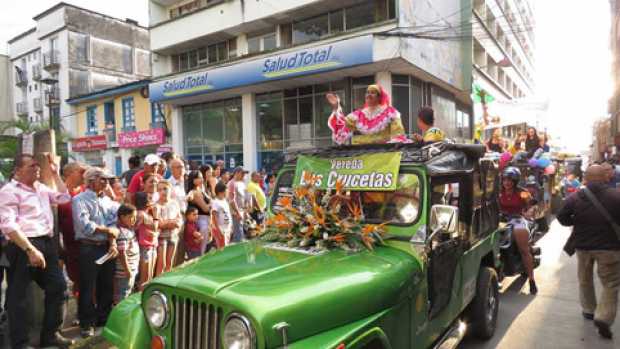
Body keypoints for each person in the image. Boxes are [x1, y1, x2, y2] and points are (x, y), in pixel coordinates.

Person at [0, 154, 75, 349]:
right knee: (19, 297)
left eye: (37, 166)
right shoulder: (9, 191)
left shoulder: (41, 188)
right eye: (32, 166)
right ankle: (20, 343)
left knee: (58, 287)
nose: (37, 169)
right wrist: (30, 249)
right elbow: (8, 225)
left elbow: (64, 197)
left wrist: (56, 173)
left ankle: (50, 335)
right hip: (23, 245)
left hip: (46, 243)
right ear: (18, 171)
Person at [557, 165, 620, 339]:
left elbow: (561, 216)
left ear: (586, 178)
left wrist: (576, 221)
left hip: (583, 246)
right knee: (611, 284)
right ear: (604, 177)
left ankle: (589, 310)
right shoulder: (616, 196)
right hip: (610, 248)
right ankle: (603, 317)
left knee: (584, 278)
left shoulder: (575, 197)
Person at [72, 167, 120, 338]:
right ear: (91, 181)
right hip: (89, 247)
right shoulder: (79, 200)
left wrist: (112, 241)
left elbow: (115, 223)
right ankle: (87, 323)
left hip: (106, 246)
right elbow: (86, 226)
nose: (106, 183)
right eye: (103, 179)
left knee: (106, 285)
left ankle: (103, 318)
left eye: (107, 179)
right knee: (88, 286)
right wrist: (109, 232)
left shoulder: (107, 200)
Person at [499, 167, 538, 295]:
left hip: (517, 219)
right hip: (500, 220)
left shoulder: (522, 192)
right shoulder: (498, 192)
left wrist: (528, 212)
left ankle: (532, 280)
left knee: (524, 250)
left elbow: (532, 205)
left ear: (515, 181)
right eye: (505, 179)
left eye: (510, 180)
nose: (507, 182)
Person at [327, 84, 409, 145]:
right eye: (367, 93)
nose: (369, 95)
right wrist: (336, 107)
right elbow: (342, 126)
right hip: (363, 155)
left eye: (373, 93)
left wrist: (385, 141)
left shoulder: (390, 112)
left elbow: (398, 134)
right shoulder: (358, 114)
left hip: (384, 154)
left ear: (379, 97)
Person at [58, 162, 86, 297]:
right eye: (80, 171)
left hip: (87, 243)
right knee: (76, 279)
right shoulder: (59, 192)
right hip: (69, 245)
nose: (84, 174)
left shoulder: (86, 190)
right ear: (70, 173)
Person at [113, 204, 139, 304]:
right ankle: (120, 316)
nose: (134, 220)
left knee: (127, 293)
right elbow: (122, 253)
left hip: (130, 271)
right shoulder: (122, 233)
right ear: (122, 217)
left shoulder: (129, 230)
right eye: (132, 217)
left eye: (135, 217)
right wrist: (127, 271)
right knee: (122, 296)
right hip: (124, 273)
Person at [155, 181, 182, 275]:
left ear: (170, 189)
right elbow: (159, 224)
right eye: (159, 190)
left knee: (169, 264)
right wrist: (171, 222)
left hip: (173, 236)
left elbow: (179, 219)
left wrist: (174, 223)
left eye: (165, 189)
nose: (163, 192)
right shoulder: (156, 205)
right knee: (161, 264)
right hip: (161, 238)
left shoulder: (174, 203)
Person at [135, 192, 158, 290]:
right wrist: (156, 215)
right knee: (144, 278)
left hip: (151, 246)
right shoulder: (141, 214)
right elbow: (155, 226)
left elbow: (155, 229)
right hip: (144, 247)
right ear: (146, 202)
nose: (153, 202)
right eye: (151, 199)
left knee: (149, 277)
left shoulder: (147, 214)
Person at [186, 170, 211, 253]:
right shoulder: (195, 192)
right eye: (199, 178)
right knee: (201, 249)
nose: (201, 179)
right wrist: (213, 203)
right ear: (193, 180)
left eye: (201, 177)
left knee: (204, 247)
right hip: (201, 221)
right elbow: (206, 208)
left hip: (207, 221)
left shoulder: (201, 190)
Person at [228, 167, 248, 242]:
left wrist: (245, 210)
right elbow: (231, 200)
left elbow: (243, 197)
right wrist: (238, 212)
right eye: (242, 173)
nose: (244, 175)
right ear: (236, 173)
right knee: (238, 235)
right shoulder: (232, 183)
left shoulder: (241, 183)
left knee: (240, 233)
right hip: (235, 213)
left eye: (244, 174)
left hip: (240, 211)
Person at [210, 182, 232, 248]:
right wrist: (219, 230)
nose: (227, 192)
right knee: (222, 248)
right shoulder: (215, 202)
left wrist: (230, 227)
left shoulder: (225, 201)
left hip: (227, 229)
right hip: (221, 229)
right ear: (220, 192)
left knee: (226, 246)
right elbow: (214, 217)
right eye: (226, 190)